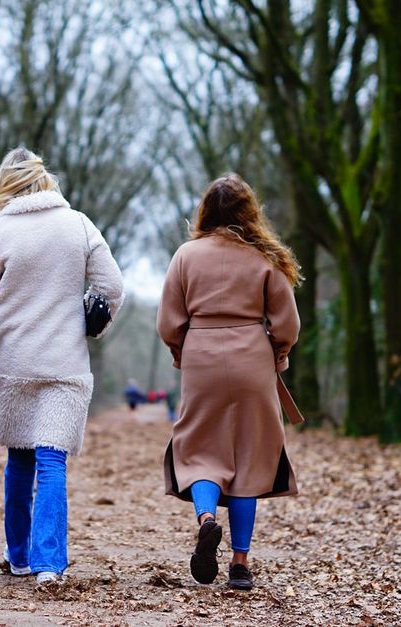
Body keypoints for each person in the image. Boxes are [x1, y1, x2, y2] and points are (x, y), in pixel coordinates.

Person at [0, 147, 124, 585]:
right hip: (65, 363)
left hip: (14, 361)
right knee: (52, 461)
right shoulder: (79, 224)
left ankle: (18, 556)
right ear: (45, 179)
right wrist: (91, 322)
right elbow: (112, 286)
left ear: (5, 186)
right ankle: (48, 564)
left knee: (19, 459)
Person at [156, 173, 303, 591]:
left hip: (202, 354)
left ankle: (206, 519)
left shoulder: (186, 255)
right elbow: (287, 324)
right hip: (252, 358)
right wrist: (278, 352)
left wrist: (182, 351)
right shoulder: (264, 258)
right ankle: (240, 563)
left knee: (200, 449)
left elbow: (168, 321)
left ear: (206, 210)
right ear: (249, 212)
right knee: (250, 459)